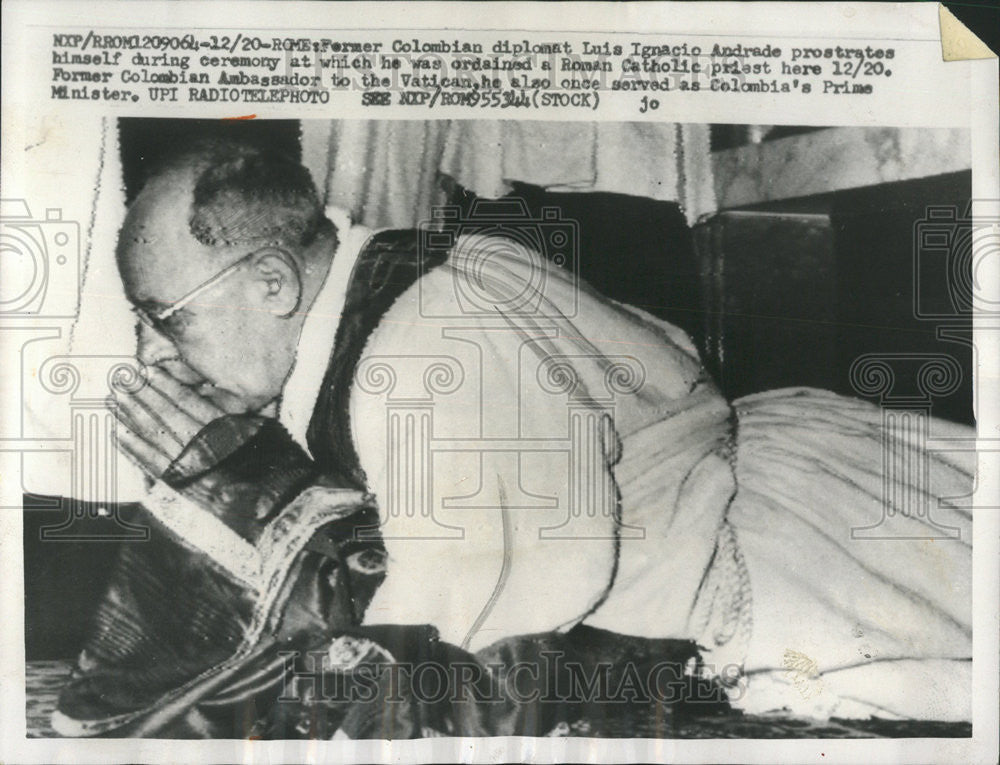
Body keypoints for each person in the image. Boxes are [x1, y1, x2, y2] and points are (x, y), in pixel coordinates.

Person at [54, 141, 973, 738]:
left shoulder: (418, 361)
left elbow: (469, 669)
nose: (148, 350)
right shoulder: (414, 260)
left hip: (775, 561)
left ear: (270, 284)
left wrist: (256, 494)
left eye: (162, 318)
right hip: (804, 463)